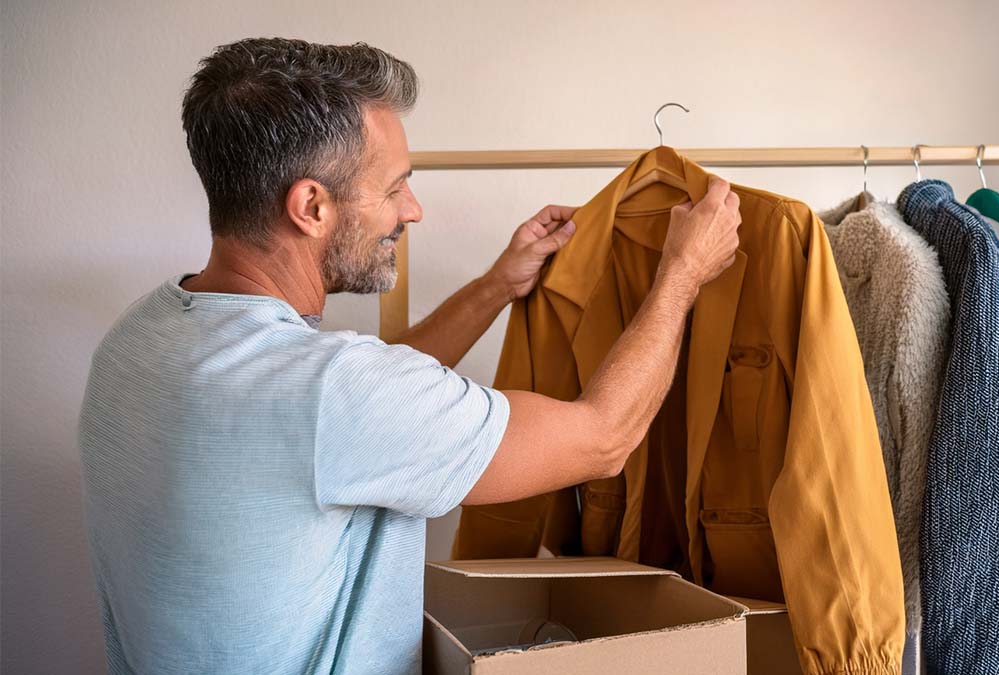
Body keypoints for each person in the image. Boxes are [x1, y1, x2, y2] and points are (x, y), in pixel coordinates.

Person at [78, 37, 740, 674]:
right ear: (311, 205)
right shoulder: (336, 395)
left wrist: (497, 286)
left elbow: (363, 408)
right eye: (394, 187)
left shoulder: (139, 339)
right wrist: (682, 274)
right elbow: (603, 439)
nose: (413, 210)